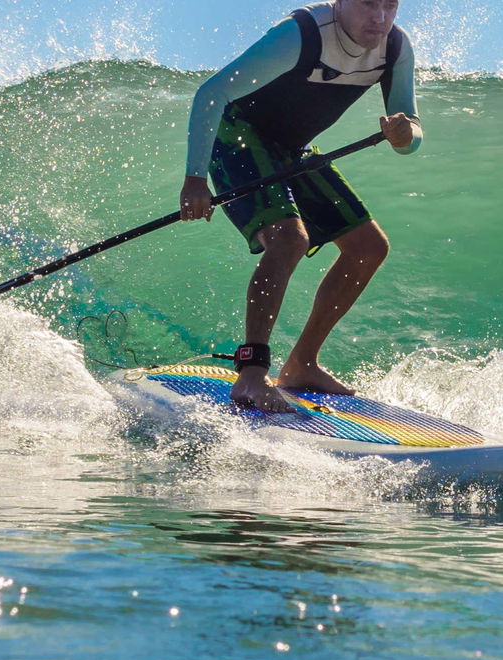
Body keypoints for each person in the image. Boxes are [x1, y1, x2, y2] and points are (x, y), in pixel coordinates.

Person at [180, 0, 421, 412]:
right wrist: (195, 178)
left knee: (368, 247)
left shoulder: (395, 48)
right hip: (238, 136)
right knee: (289, 238)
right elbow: (212, 92)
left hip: (292, 148)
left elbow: (411, 128)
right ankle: (252, 372)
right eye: (368, 3)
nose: (380, 17)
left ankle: (302, 363)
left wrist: (405, 135)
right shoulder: (301, 33)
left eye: (390, 5)